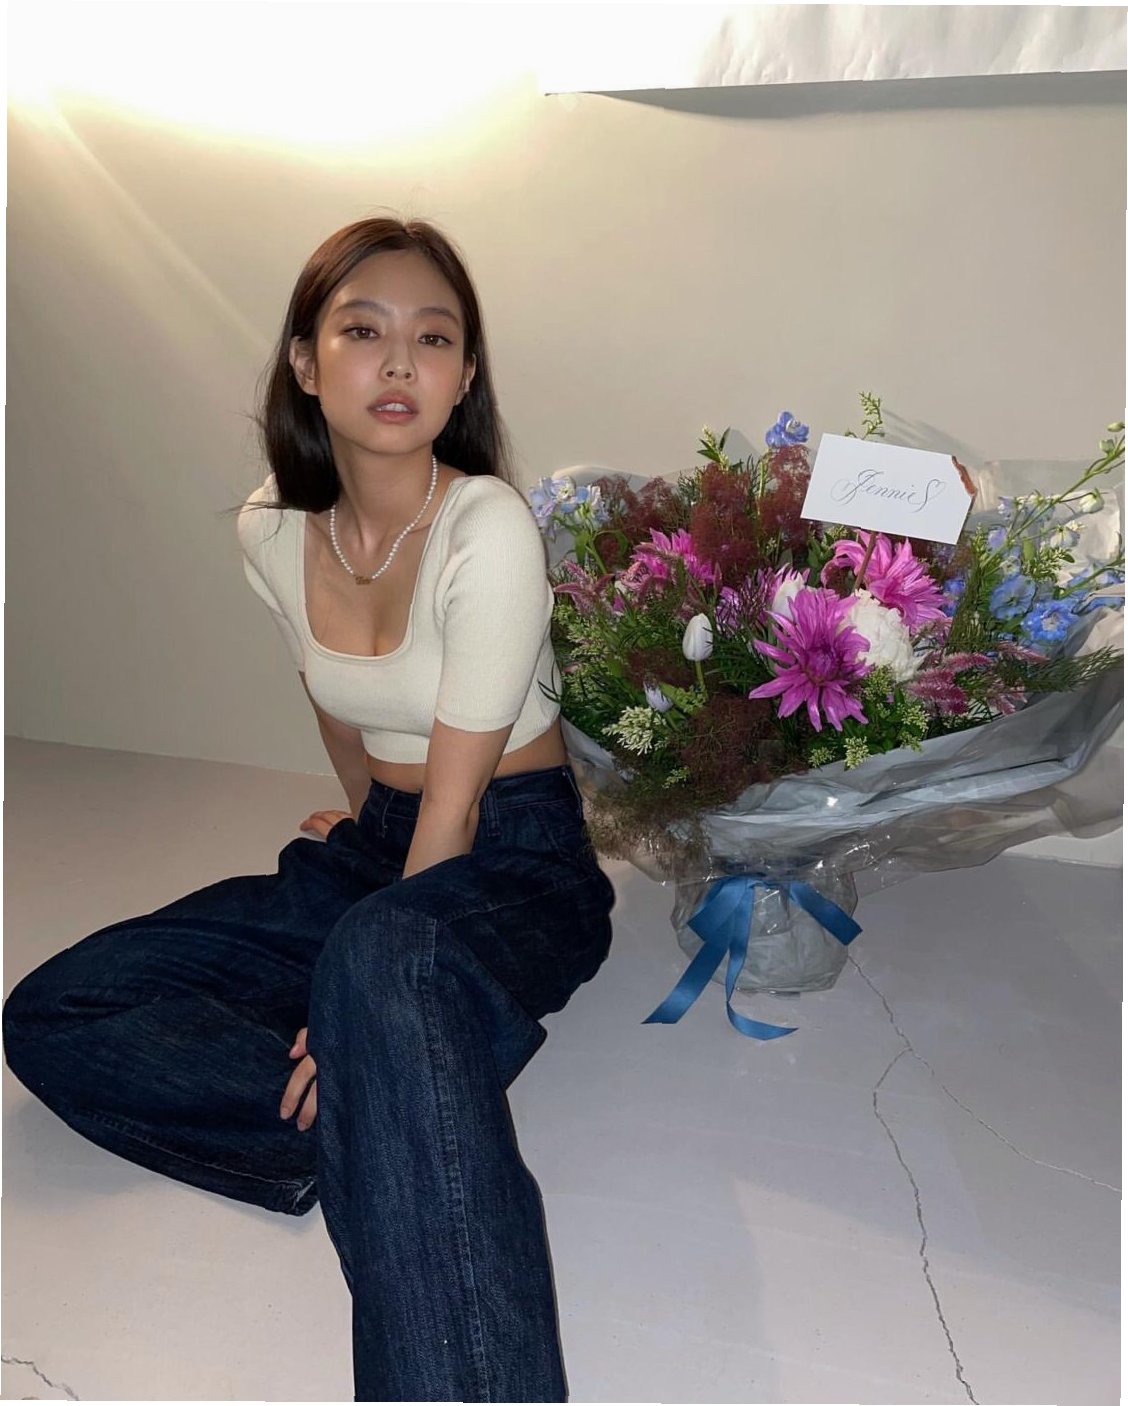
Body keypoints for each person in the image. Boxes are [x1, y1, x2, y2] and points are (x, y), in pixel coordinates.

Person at [3, 216, 617, 1403]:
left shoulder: (488, 524)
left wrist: (373, 949)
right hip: (386, 849)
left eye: (433, 338)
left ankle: (389, 1075)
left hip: (511, 859)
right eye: (362, 330)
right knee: (55, 1009)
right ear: (304, 360)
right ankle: (389, 1099)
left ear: (465, 375)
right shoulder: (272, 529)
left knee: (385, 958)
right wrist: (359, 824)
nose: (400, 362)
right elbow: (334, 704)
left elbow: (455, 807)